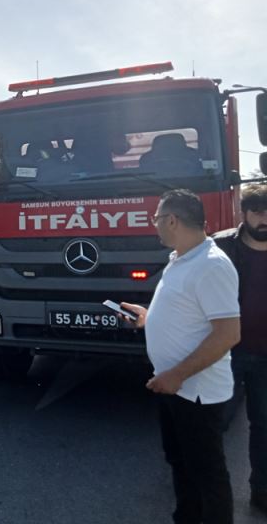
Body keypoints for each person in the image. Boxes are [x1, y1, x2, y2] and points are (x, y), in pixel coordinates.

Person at [121, 189, 240, 524]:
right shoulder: (181, 259)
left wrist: (177, 375)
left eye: (157, 218)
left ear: (171, 220)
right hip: (176, 388)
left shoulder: (211, 265)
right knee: (181, 463)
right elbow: (186, 316)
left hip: (195, 391)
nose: (154, 224)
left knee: (207, 473)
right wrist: (145, 319)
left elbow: (228, 334)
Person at [213, 183, 267, 514]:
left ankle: (261, 490)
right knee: (212, 423)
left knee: (264, 426)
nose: (266, 218)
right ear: (244, 214)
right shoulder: (220, 247)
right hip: (225, 353)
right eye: (258, 211)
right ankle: (206, 489)